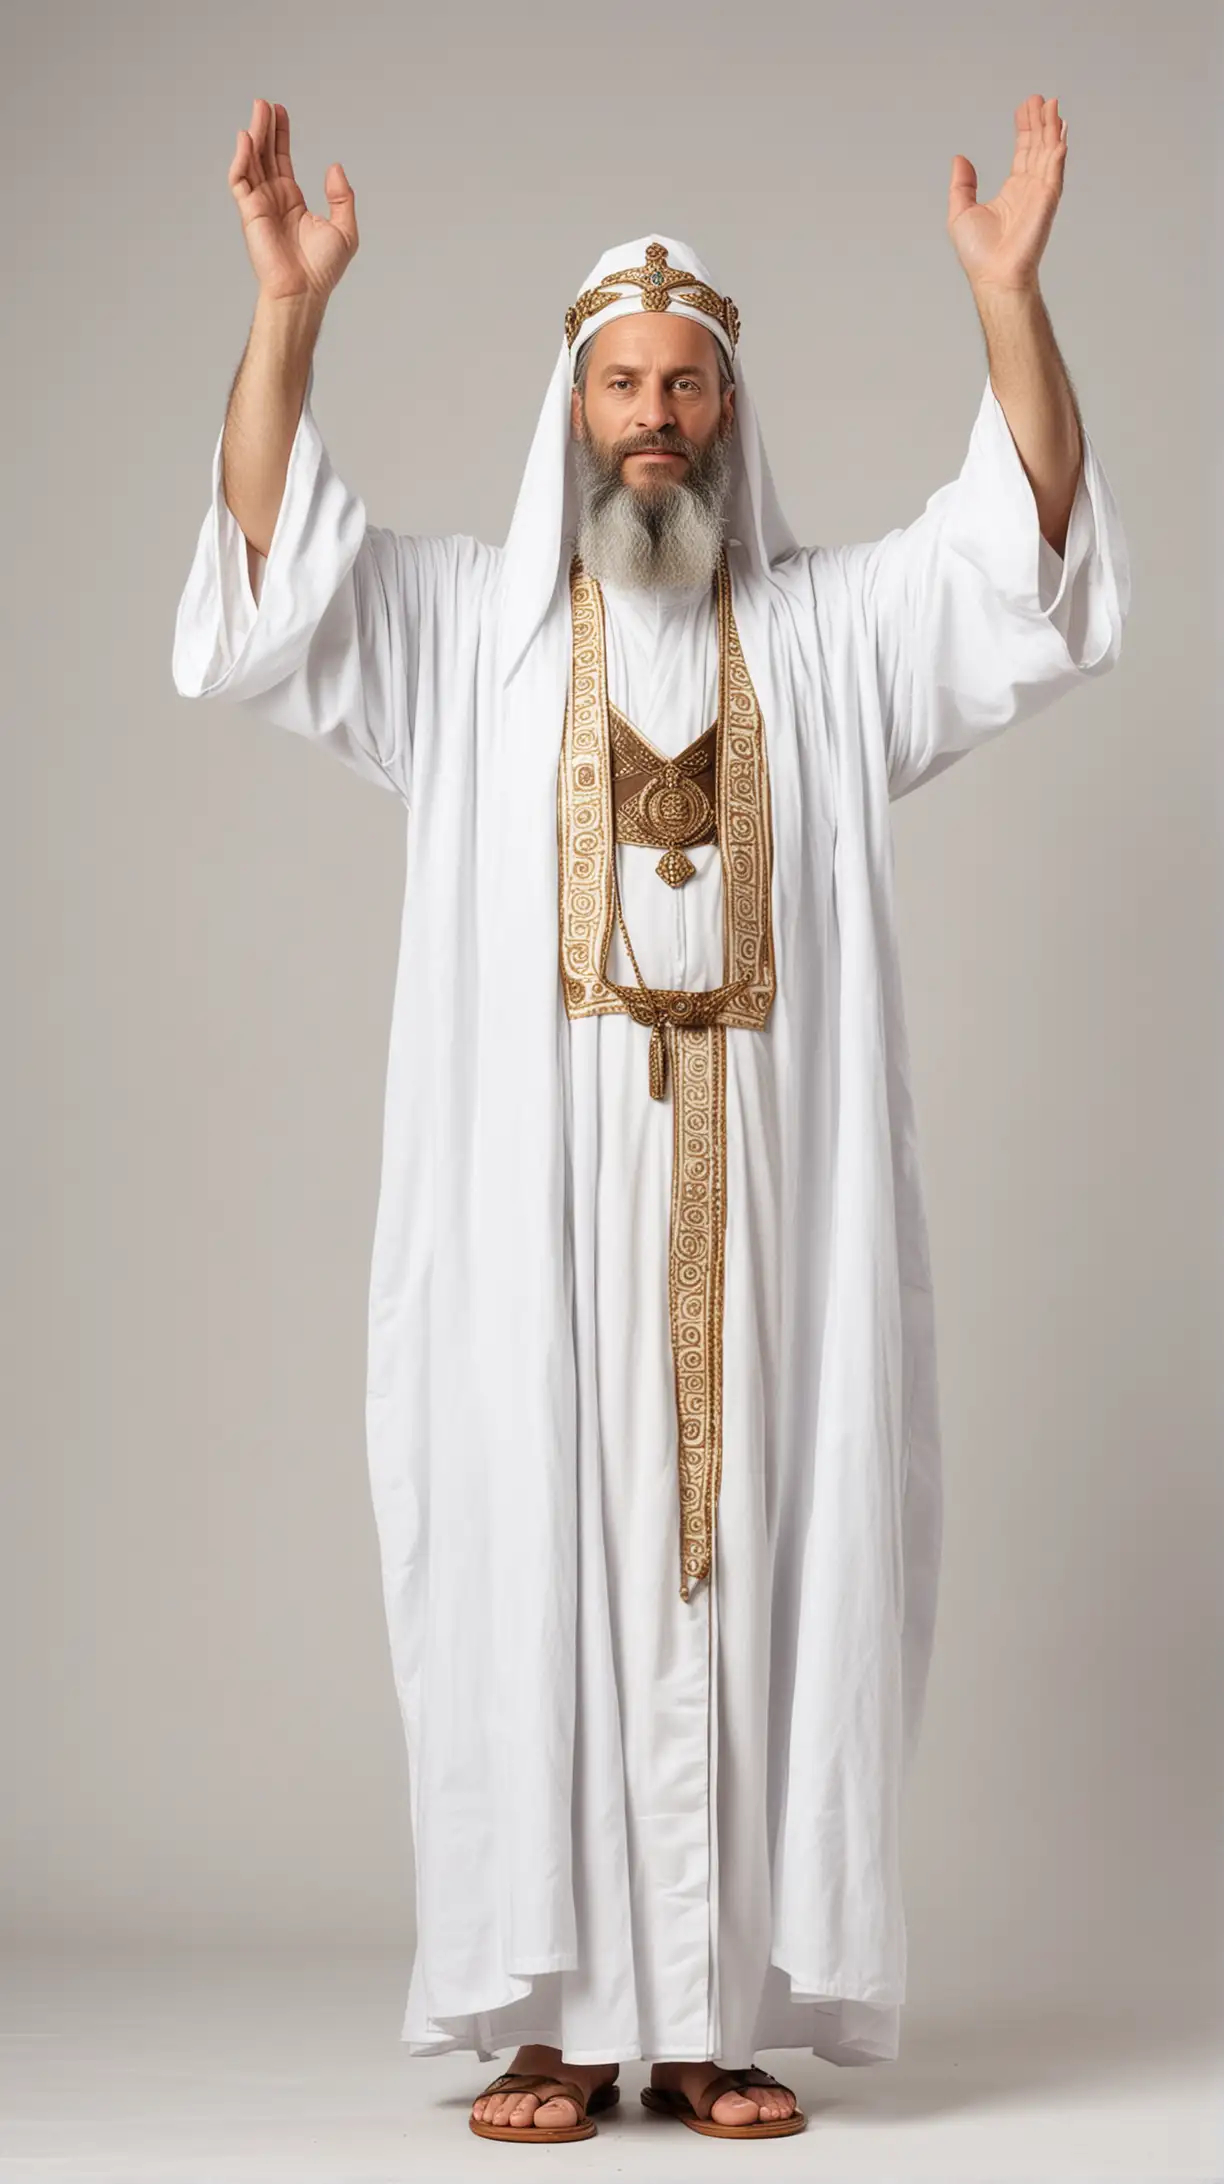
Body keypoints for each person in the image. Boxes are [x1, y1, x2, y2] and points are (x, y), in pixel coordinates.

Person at [171, 94, 1130, 2146]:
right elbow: (270, 573)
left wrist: (1009, 306)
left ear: (729, 413)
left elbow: (1024, 557)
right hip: (532, 1228)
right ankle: (542, 2018)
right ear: (574, 410)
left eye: (689, 381)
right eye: (622, 380)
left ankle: (709, 2021)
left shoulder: (829, 637)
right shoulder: (466, 643)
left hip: (773, 1228)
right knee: (526, 1559)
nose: (656, 414)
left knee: (769, 1555)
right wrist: (284, 326)